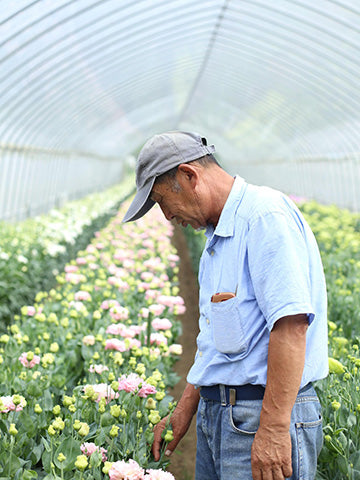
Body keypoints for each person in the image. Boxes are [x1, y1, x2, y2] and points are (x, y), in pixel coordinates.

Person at [122, 131, 328, 480]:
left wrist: (275, 430)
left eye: (161, 201)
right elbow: (219, 340)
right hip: (223, 416)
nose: (167, 216)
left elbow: (291, 327)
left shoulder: (264, 218)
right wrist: (187, 405)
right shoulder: (217, 240)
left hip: (262, 417)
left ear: (189, 175)